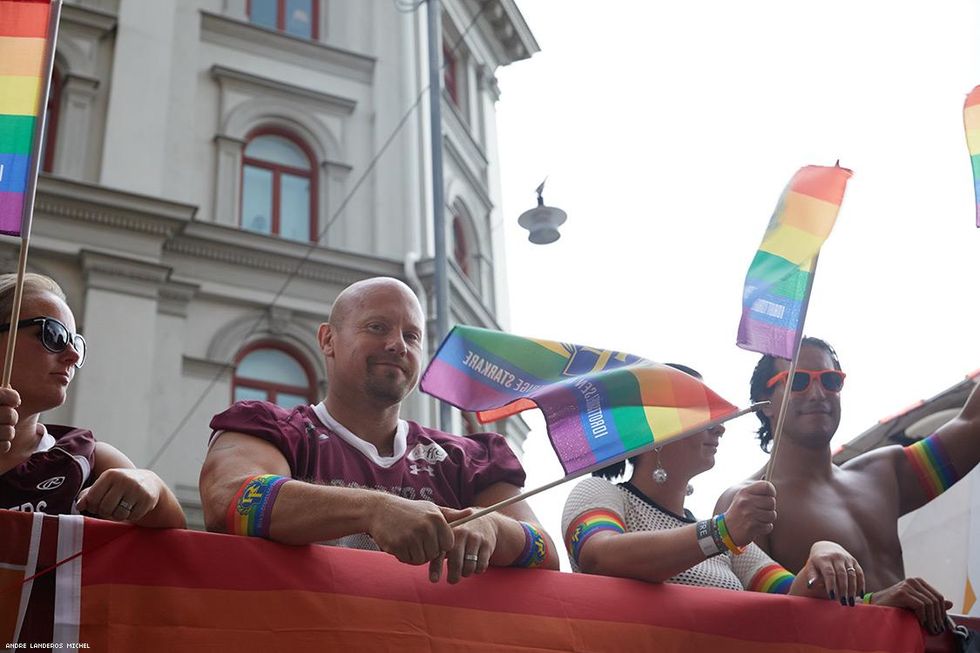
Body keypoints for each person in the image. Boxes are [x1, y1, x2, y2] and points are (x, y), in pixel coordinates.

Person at [199, 277, 559, 583]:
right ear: (328, 340)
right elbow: (229, 499)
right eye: (377, 327)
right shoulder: (272, 428)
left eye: (412, 336)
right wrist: (374, 510)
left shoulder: (467, 458)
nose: (398, 345)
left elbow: (544, 552)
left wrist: (494, 530)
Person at [715, 336, 977, 634]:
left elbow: (973, 425)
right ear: (765, 404)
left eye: (830, 380)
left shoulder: (884, 474)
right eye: (798, 381)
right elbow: (768, 609)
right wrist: (873, 603)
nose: (817, 393)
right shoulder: (748, 502)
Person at [562, 363, 864, 604]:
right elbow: (598, 556)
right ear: (652, 428)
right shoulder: (599, 492)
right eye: (702, 412)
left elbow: (792, 597)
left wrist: (824, 556)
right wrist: (722, 531)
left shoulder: (728, 541)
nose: (720, 427)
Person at [0, 273, 185, 528]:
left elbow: (174, 538)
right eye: (52, 334)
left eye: (75, 342)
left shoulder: (88, 459)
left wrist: (152, 486)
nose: (73, 355)